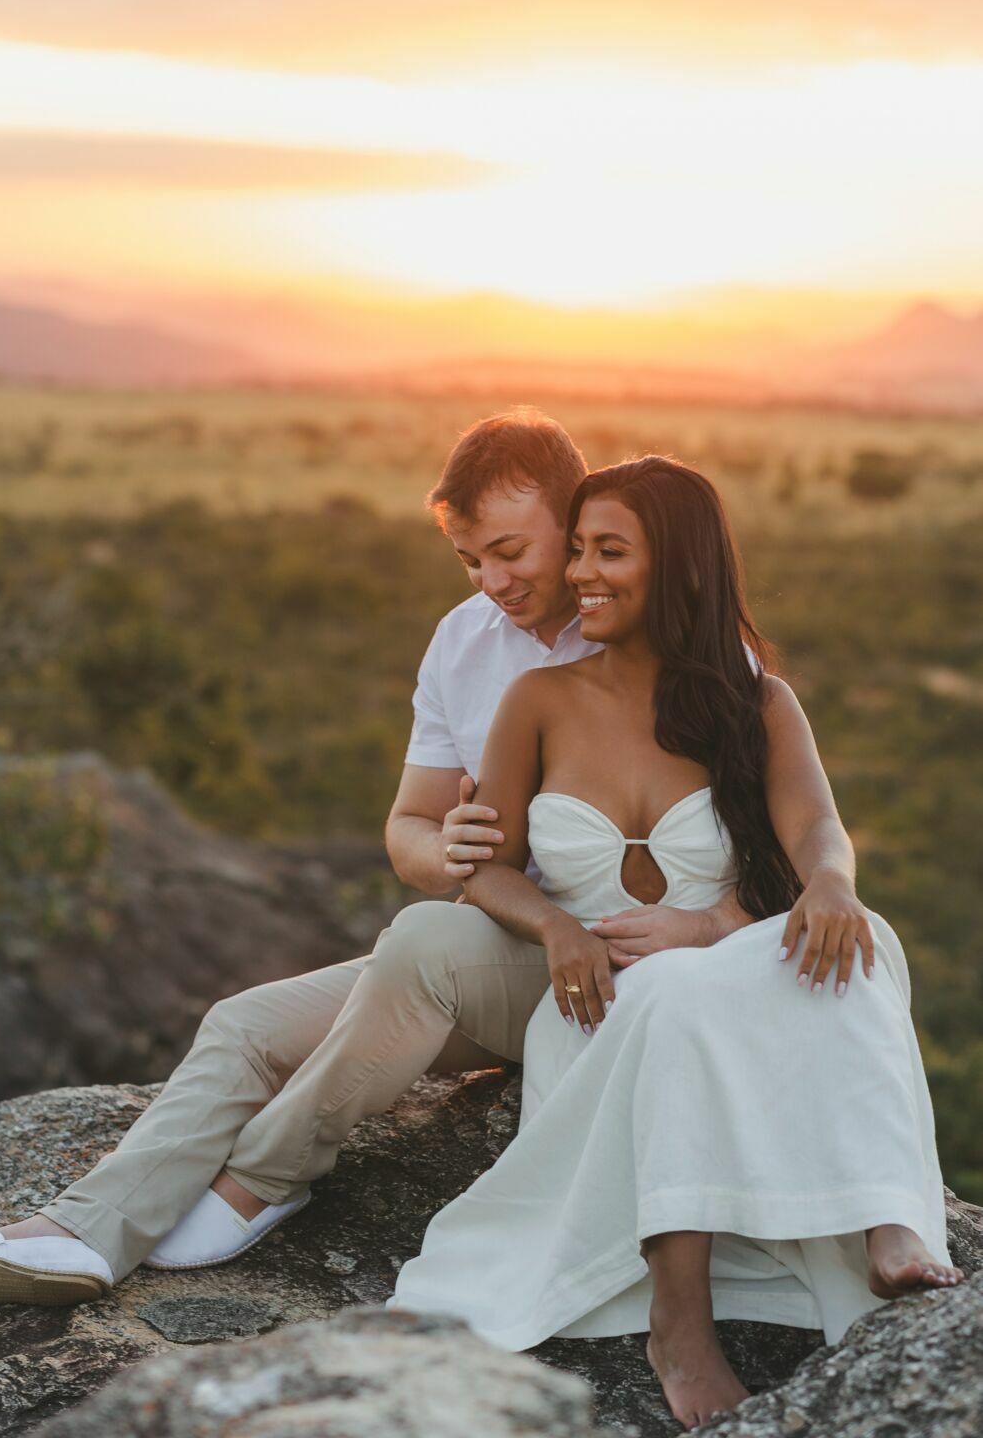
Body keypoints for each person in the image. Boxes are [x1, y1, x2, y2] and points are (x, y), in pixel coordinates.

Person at [0, 412, 751, 1310]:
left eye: (511, 552)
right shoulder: (462, 643)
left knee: (425, 942)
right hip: (484, 957)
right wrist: (449, 850)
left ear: (575, 521)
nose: (493, 582)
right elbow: (409, 830)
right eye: (470, 560)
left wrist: (710, 923)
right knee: (244, 1026)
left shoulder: (667, 645)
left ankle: (263, 1179)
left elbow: (755, 847)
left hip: (613, 970)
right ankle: (81, 1234)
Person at [389, 456, 961, 1432]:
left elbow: (816, 828)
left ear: (681, 568)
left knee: (862, 938)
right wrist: (557, 926)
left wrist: (827, 883)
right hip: (606, 1002)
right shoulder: (538, 700)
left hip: (726, 979)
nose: (581, 573)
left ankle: (888, 1216)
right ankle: (679, 1324)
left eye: (608, 552)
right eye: (577, 549)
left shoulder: (757, 702)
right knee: (672, 989)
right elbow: (484, 867)